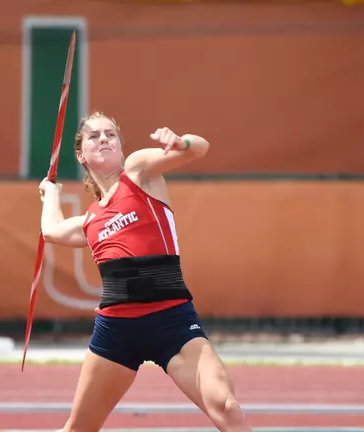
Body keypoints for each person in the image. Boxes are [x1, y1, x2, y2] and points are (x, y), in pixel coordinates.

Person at [38, 111, 253, 432]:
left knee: (227, 407)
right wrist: (50, 193)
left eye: (110, 134)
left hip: (172, 321)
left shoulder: (139, 172)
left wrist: (183, 142)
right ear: (81, 155)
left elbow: (199, 149)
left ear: (121, 148)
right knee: (78, 429)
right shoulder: (90, 220)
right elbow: (52, 231)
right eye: (94, 135)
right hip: (117, 332)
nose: (104, 139)